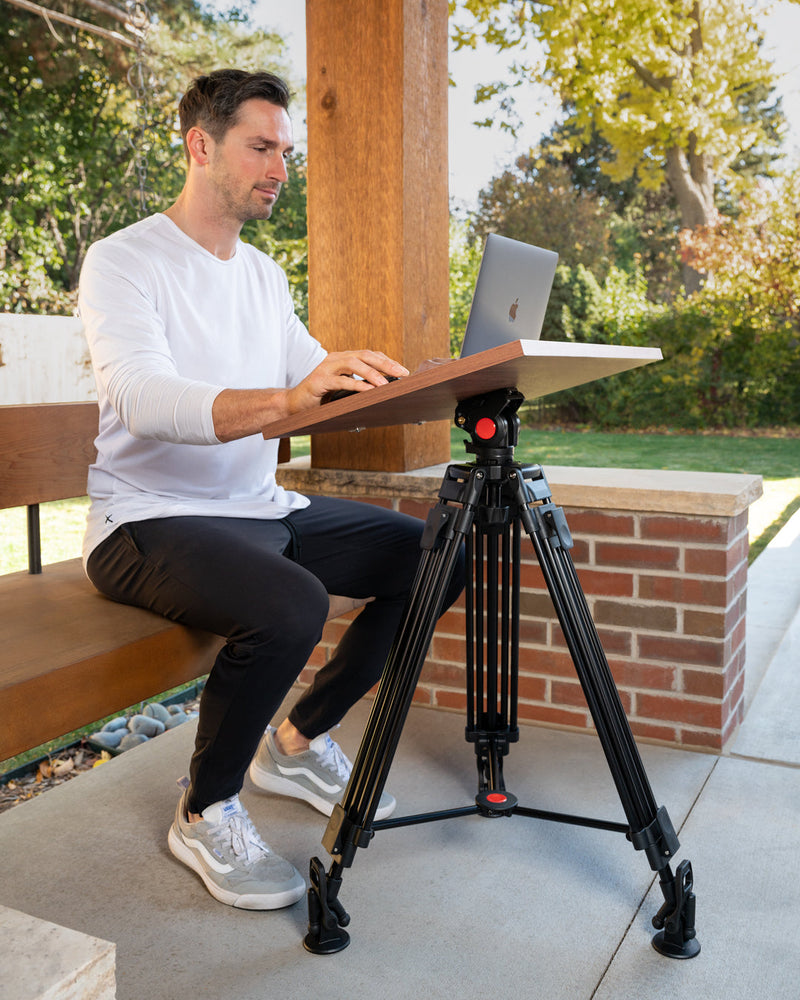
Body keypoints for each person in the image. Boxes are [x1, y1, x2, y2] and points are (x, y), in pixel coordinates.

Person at [78, 68, 463, 912]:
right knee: (290, 605)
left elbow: (315, 379)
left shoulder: (262, 276)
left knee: (436, 552)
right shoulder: (125, 261)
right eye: (261, 147)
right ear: (200, 144)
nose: (279, 168)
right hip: (146, 520)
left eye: (285, 151)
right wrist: (287, 403)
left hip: (254, 510)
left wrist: (431, 382)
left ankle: (293, 742)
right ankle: (206, 805)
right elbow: (142, 396)